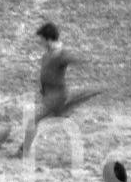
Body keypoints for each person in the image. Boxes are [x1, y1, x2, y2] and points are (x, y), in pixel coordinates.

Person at [15, 22, 100, 158]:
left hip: (56, 96)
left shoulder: (60, 54)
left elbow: (73, 59)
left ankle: (23, 152)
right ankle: (75, 102)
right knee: (59, 114)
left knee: (34, 121)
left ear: (48, 39)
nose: (40, 42)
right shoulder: (49, 53)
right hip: (51, 95)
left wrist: (86, 61)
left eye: (41, 39)